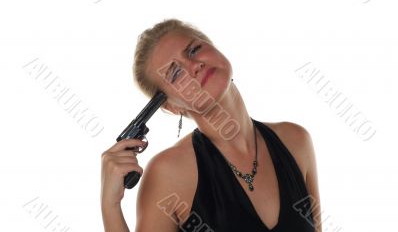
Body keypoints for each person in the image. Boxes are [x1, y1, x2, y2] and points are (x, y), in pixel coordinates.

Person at [101, 19, 322, 232]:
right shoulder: (169, 173)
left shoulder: (296, 140)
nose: (194, 66)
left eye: (194, 50)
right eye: (176, 73)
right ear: (171, 107)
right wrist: (110, 207)